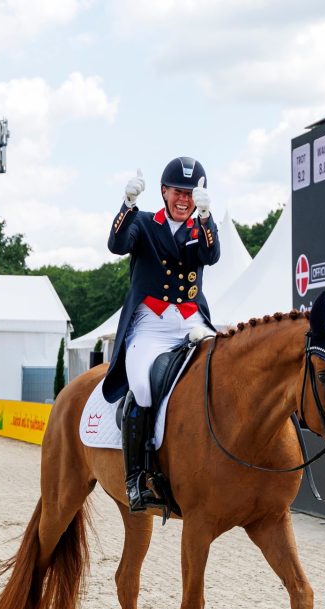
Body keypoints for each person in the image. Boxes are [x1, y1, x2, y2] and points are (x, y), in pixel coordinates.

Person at [104, 156, 221, 511]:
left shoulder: (200, 228)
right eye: (178, 192)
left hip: (191, 323)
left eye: (190, 193)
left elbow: (211, 255)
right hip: (151, 326)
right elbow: (117, 244)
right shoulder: (143, 222)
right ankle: (136, 478)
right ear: (164, 192)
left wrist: (206, 217)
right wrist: (127, 205)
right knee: (141, 387)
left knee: (221, 372)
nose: (183, 199)